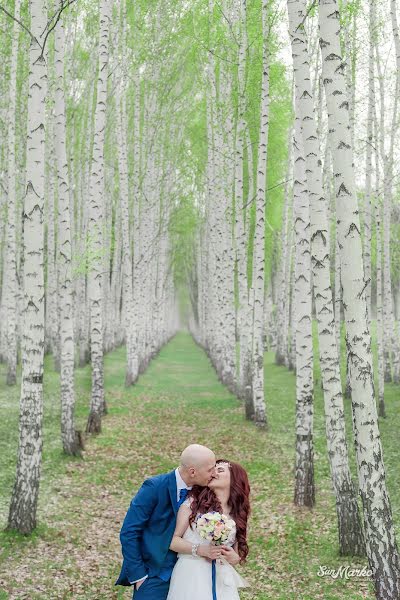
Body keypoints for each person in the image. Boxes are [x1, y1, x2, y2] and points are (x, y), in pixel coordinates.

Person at [115, 444, 216, 599]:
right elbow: (129, 532)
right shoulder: (154, 487)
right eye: (210, 469)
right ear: (193, 472)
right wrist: (139, 575)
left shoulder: (204, 492)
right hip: (154, 575)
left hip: (188, 574)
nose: (214, 473)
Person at [166, 459, 250, 600]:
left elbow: (235, 554)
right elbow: (172, 541)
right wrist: (200, 550)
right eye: (212, 469)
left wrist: (234, 558)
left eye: (220, 470)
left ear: (234, 479)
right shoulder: (192, 504)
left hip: (221, 578)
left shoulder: (237, 513)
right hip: (191, 574)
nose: (213, 472)